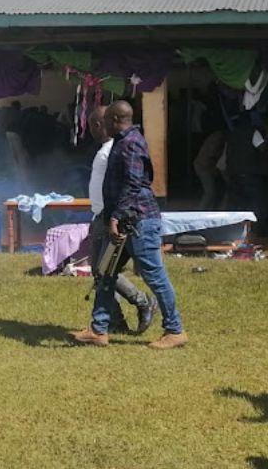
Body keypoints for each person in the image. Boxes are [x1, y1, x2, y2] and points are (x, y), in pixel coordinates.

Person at [70, 101, 187, 349]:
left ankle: (175, 330)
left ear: (114, 120)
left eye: (105, 121)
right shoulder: (121, 143)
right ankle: (99, 329)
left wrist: (115, 216)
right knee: (105, 272)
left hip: (138, 222)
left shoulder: (131, 143)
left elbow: (134, 185)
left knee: (154, 276)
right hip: (123, 222)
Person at [83, 106, 157, 334]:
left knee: (104, 271)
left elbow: (127, 184)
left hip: (109, 218)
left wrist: (113, 216)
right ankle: (115, 321)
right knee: (101, 272)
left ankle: (142, 301)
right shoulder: (108, 149)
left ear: (99, 124)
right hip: (102, 215)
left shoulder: (112, 149)